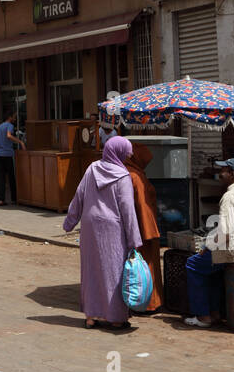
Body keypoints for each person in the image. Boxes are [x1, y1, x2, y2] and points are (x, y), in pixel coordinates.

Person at [62, 135, 141, 329]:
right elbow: (128, 210)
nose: (127, 158)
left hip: (89, 228)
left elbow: (78, 197)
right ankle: (116, 318)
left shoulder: (92, 169)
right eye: (126, 154)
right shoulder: (123, 177)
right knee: (114, 272)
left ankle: (91, 316)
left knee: (91, 271)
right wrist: (134, 240)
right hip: (112, 229)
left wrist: (69, 223)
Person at [185, 158, 234, 327]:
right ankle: (214, 313)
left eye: (223, 171)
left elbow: (226, 232)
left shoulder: (230, 196)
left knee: (192, 264)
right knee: (211, 268)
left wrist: (207, 247)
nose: (220, 174)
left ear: (233, 175)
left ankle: (203, 316)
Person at [124, 142, 164, 313]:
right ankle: (149, 302)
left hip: (139, 227)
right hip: (143, 228)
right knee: (145, 266)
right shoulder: (135, 177)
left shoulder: (132, 173)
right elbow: (142, 206)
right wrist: (149, 232)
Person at [0, 111, 24, 206]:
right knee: (11, 177)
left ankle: (1, 199)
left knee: (1, 178)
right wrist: (20, 142)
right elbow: (8, 135)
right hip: (8, 154)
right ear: (9, 117)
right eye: (14, 117)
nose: (15, 118)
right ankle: (14, 198)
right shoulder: (10, 126)